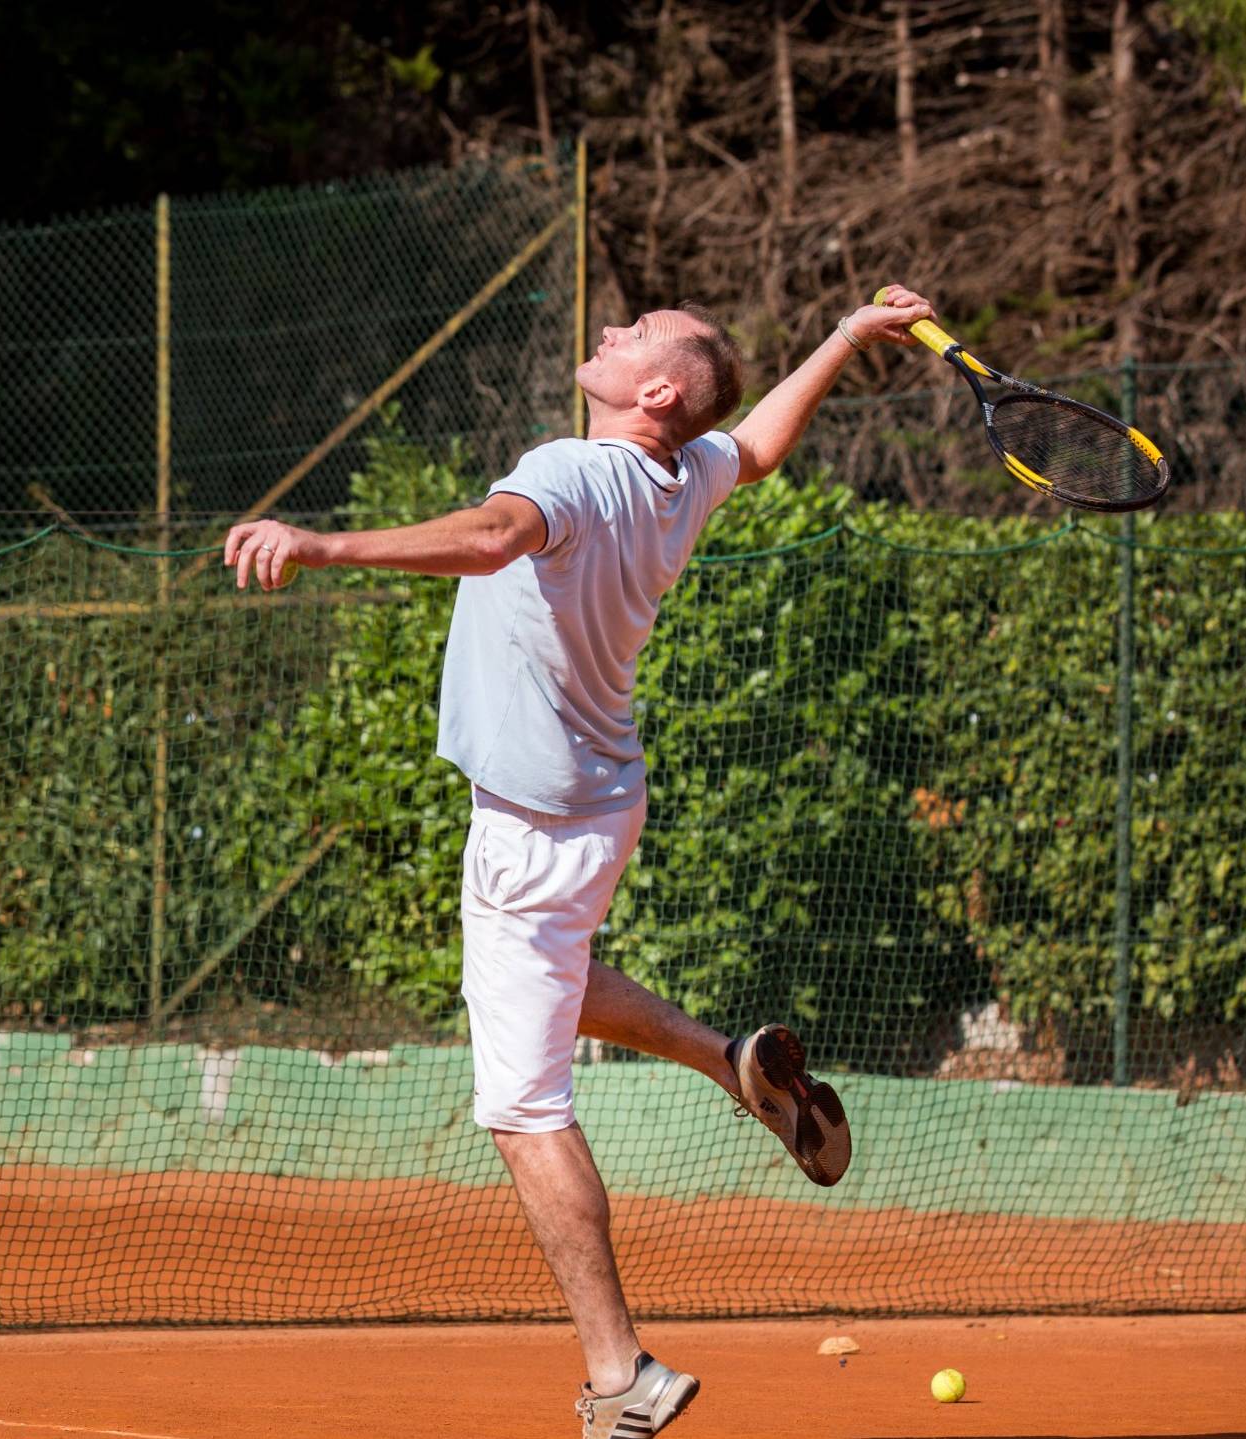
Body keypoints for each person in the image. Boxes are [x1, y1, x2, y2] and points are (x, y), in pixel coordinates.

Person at [220, 287, 936, 1439]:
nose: (609, 331)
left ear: (654, 392)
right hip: (600, 803)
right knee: (559, 982)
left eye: (635, 332)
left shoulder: (573, 468)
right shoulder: (679, 474)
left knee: (523, 1104)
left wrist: (321, 541)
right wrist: (849, 337)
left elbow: (497, 535)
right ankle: (725, 1058)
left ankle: (621, 1377)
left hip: (533, 823)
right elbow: (755, 445)